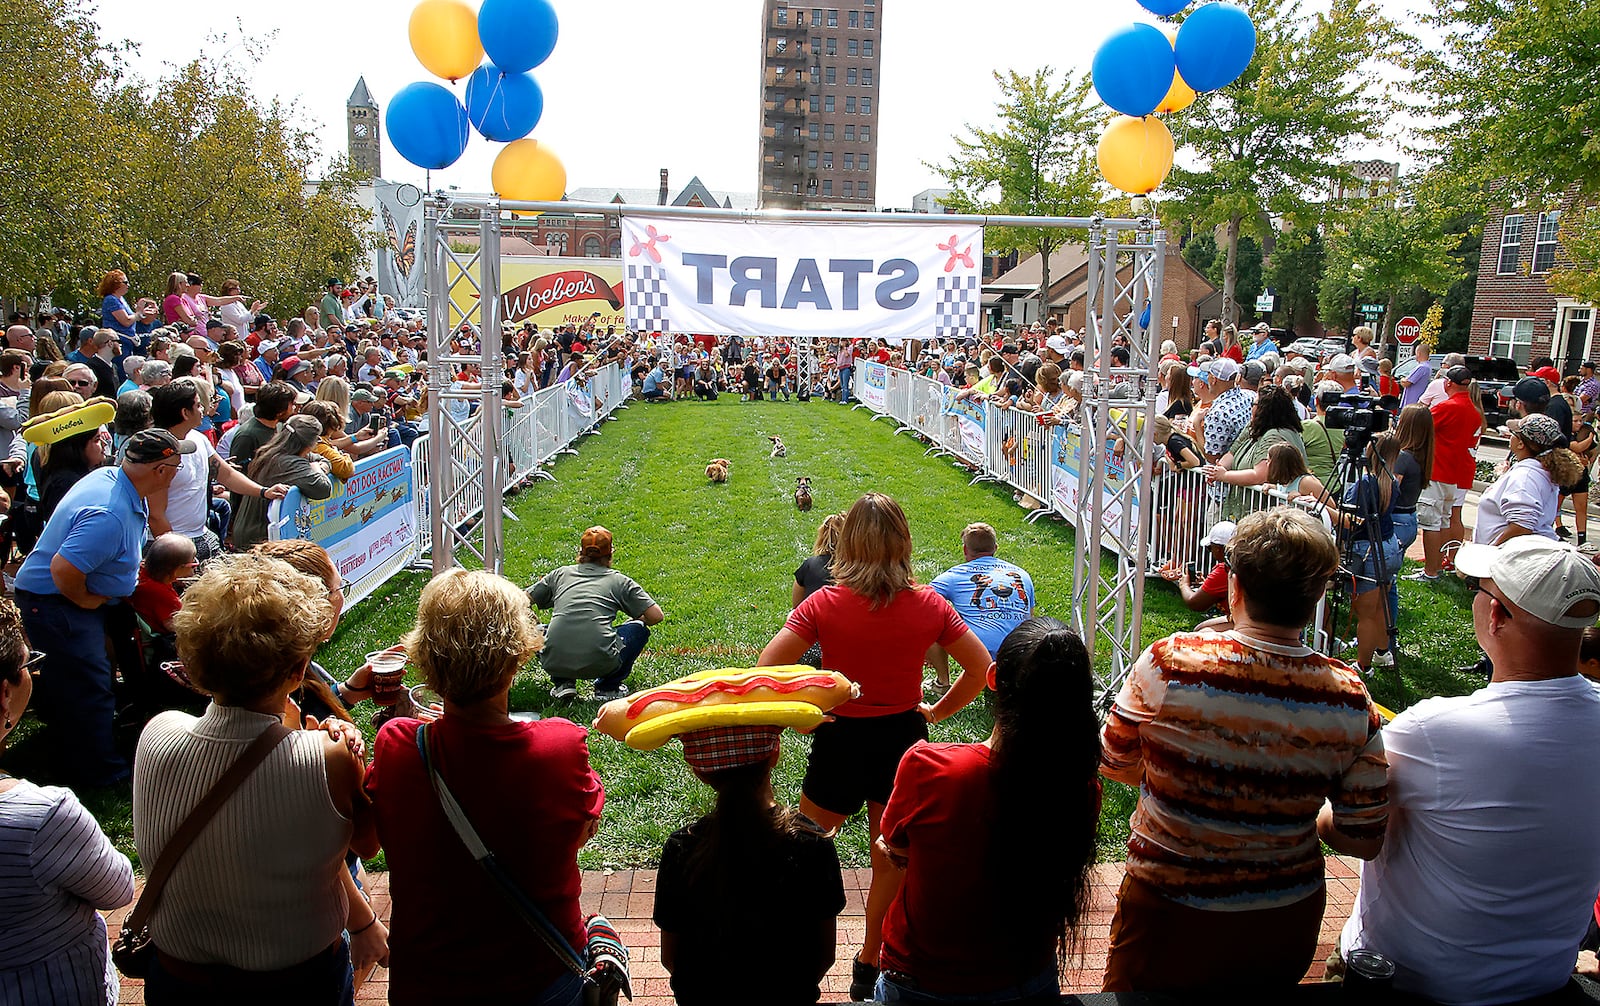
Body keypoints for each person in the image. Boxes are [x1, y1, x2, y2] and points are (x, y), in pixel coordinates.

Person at [1100, 507, 1388, 992]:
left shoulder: (1171, 662)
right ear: (1316, 594)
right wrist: (1291, 809)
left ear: (1234, 585)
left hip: (1168, 905)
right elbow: (1362, 837)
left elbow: (1113, 760)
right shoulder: (1347, 694)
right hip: (1282, 916)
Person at [754, 493, 995, 1001]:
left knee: (805, 847)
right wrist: (940, 711)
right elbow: (980, 669)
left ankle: (797, 959)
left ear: (847, 545)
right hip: (903, 739)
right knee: (890, 859)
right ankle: (869, 962)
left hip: (839, 737)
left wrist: (809, 710)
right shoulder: (930, 603)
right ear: (904, 542)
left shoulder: (824, 602)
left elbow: (768, 667)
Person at [1339, 536, 1600, 1005]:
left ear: (1496, 616)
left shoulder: (1437, 731)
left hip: (1417, 983)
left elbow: (1347, 826)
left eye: (1479, 590)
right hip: (1545, 980)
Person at [133, 552, 381, 1003]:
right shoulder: (327, 755)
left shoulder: (157, 732)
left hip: (177, 979)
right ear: (297, 670)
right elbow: (368, 843)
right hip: (294, 983)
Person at [367, 569, 604, 1006]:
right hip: (540, 977)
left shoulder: (397, 744)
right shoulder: (560, 744)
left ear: (424, 657)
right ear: (517, 657)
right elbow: (581, 831)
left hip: (428, 982)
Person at [874, 617, 1100, 1003]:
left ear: (993, 678)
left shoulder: (930, 767)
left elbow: (896, 847)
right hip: (1027, 980)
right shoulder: (1081, 787)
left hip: (922, 982)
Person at [13, 428, 188, 786]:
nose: (179, 471)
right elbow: (63, 570)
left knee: (83, 680)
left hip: (68, 601)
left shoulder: (115, 481)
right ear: (159, 469)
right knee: (89, 684)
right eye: (176, 464)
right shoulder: (109, 513)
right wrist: (87, 602)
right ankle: (102, 772)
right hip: (58, 604)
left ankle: (75, 741)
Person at [0, 596, 136, 1004]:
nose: (34, 673)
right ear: (4, 692)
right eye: (28, 664)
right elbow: (118, 890)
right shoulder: (42, 818)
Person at [655, 725, 844, 1006]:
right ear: (775, 753)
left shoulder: (682, 847)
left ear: (699, 770)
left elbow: (671, 958)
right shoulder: (812, 842)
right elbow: (824, 956)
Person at [147, 379, 289, 562]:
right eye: (198, 405)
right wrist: (175, 557)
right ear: (184, 413)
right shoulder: (157, 452)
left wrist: (263, 491)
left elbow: (226, 474)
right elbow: (156, 515)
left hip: (202, 536)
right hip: (172, 547)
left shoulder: (199, 439)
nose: (204, 410)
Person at [527, 526, 665, 702]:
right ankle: (608, 687)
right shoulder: (619, 581)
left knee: (540, 630)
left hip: (553, 661)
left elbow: (520, 601)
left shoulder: (560, 574)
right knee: (638, 629)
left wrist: (531, 624)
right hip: (602, 661)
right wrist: (632, 618)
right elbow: (656, 616)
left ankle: (562, 682)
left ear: (580, 551)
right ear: (610, 553)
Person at [926, 522, 1035, 695]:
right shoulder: (1022, 575)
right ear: (995, 547)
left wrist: (925, 646)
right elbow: (1030, 618)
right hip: (1023, 654)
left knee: (930, 620)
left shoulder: (954, 575)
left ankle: (942, 683)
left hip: (981, 658)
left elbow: (921, 602)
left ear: (965, 550)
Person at [1342, 435, 1404, 674]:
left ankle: (1362, 666)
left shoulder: (1366, 483)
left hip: (1367, 551)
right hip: (1388, 548)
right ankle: (1381, 652)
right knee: (1379, 608)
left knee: (1366, 615)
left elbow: (1351, 521)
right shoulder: (1390, 480)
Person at [1474, 413, 1583, 544]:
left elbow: (1522, 526)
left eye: (1514, 433)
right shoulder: (1538, 470)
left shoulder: (1525, 476)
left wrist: (1488, 552)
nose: (1510, 436)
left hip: (1511, 558)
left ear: (1521, 444)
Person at [1414, 365, 1479, 581]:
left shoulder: (1447, 407)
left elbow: (1419, 426)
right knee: (1444, 520)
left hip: (1438, 471)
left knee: (1431, 523)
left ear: (1448, 383)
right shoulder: (1472, 410)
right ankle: (1439, 566)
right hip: (1454, 473)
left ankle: (1431, 571)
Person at [231, 415, 334, 551]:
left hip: (249, 528)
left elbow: (321, 459)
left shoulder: (273, 451)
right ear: (309, 443)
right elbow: (323, 488)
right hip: (259, 536)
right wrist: (316, 467)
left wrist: (321, 465)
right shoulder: (289, 463)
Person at [1158, 520, 1235, 629]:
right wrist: (1207, 585)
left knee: (1202, 631)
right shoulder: (1245, 562)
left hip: (1243, 623)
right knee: (1199, 628)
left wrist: (1184, 585)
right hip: (1253, 619)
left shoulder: (1223, 571)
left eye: (1210, 548)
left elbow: (1195, 603)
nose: (1211, 552)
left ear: (1218, 549)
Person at [792, 512, 845, 668]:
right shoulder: (855, 570)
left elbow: (797, 607)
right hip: (844, 646)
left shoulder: (809, 565)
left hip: (811, 646)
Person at [1399, 342, 1432, 407]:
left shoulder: (1421, 367)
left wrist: (1402, 379)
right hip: (1418, 402)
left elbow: (1406, 383)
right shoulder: (1428, 367)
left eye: (1416, 353)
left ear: (1419, 353)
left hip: (1412, 402)